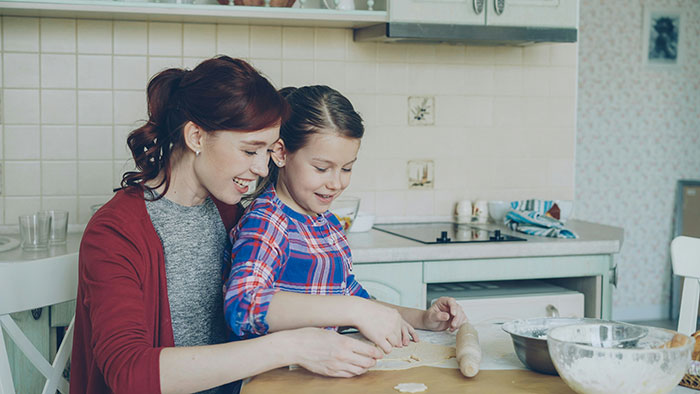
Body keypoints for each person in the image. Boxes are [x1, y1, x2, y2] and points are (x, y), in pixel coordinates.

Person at [71, 58, 383, 394]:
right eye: (250, 151)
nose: (263, 169)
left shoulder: (227, 211)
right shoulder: (115, 232)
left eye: (268, 151)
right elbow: (129, 374)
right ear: (196, 137)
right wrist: (293, 346)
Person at [223, 85, 467, 354]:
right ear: (281, 153)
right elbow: (243, 306)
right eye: (321, 168)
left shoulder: (327, 224)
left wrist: (422, 318)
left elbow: (353, 300)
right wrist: (352, 309)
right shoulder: (268, 221)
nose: (336, 183)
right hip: (277, 378)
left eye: (347, 168)